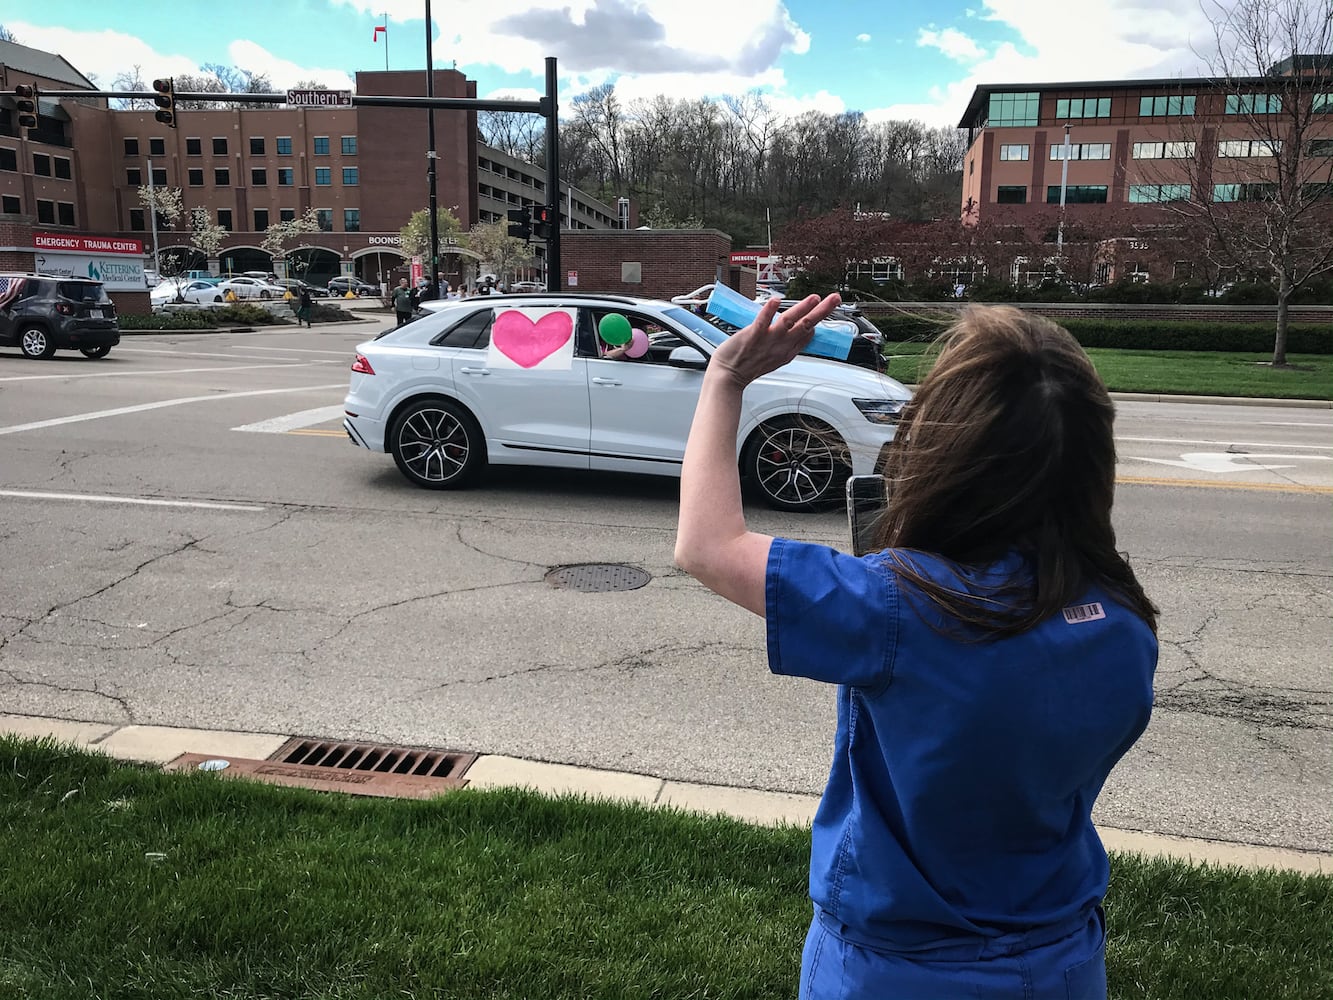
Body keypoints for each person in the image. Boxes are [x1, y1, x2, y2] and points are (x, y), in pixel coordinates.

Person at [674, 298, 1158, 999]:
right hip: (1061, 962)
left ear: (942, 455)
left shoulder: (895, 609)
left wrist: (724, 378)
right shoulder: (1122, 620)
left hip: (890, 971)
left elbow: (707, 547)